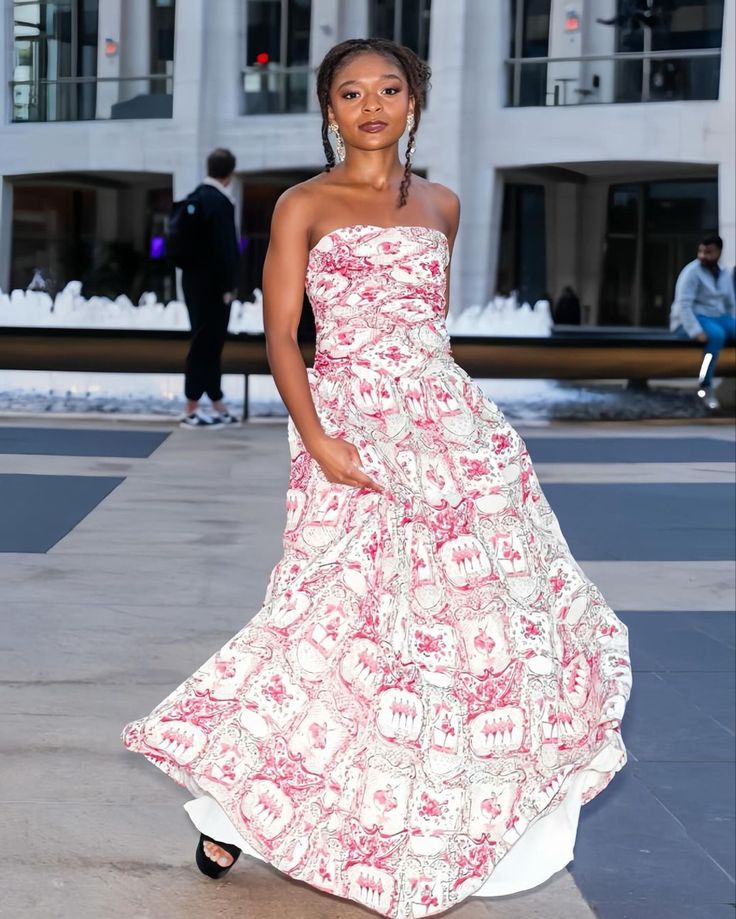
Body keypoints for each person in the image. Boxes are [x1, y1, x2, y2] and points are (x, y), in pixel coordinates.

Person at [122, 39, 631, 916]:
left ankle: (432, 804)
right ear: (328, 109)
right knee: (332, 617)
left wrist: (481, 443)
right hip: (350, 429)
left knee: (469, 625)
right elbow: (284, 336)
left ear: (415, 102)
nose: (371, 105)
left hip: (453, 436)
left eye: (388, 89)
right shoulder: (302, 205)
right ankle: (236, 800)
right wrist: (318, 439)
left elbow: (431, 336)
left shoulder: (443, 203)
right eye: (351, 92)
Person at [180, 148, 241, 429]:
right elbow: (226, 249)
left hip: (193, 282)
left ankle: (215, 402)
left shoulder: (195, 197)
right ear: (230, 173)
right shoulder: (221, 203)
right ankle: (192, 407)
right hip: (215, 287)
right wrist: (229, 285)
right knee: (208, 343)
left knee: (205, 341)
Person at [670, 235, 736, 411]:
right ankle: (705, 386)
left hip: (717, 316)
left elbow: (730, 303)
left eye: (708, 252)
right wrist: (694, 330)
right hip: (693, 317)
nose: (703, 256)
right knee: (716, 336)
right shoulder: (691, 272)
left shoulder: (725, 273)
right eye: (700, 251)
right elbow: (683, 304)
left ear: (719, 253)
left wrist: (731, 323)